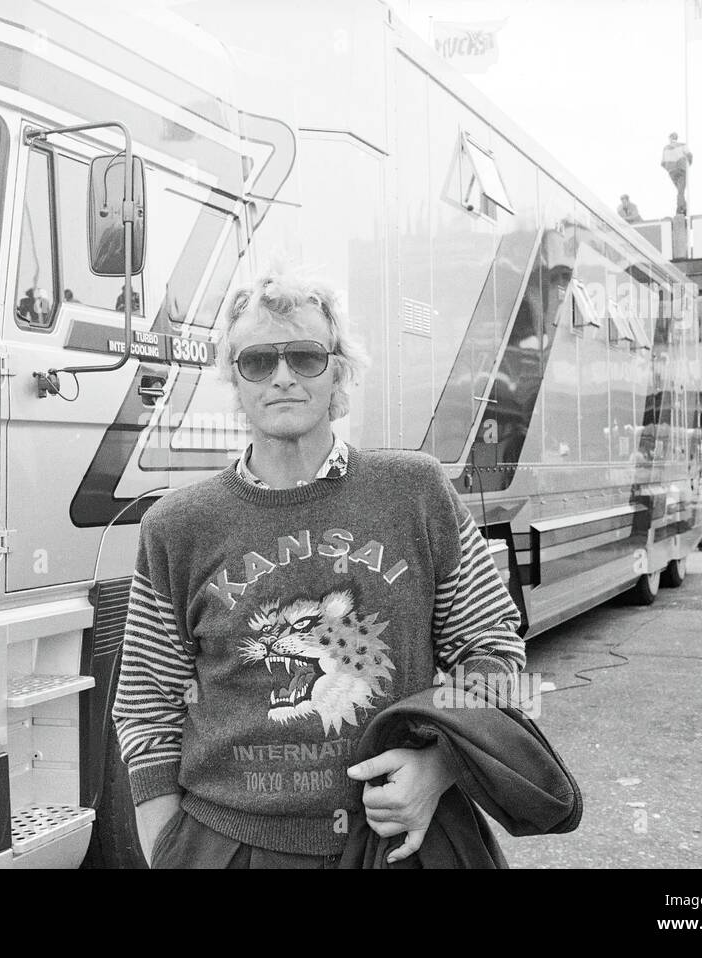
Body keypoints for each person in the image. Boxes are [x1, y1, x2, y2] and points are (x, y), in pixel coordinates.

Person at [111, 269, 526, 869]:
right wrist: (168, 848)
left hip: (404, 838)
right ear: (234, 375)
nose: (282, 376)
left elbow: (492, 650)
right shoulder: (176, 527)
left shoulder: (416, 492)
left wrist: (439, 765)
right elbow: (148, 701)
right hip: (230, 846)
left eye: (305, 356)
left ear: (337, 370)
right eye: (257, 361)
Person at [660, 133, 693, 216]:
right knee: (681, 191)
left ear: (670, 138)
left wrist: (669, 169)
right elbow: (689, 155)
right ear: (676, 138)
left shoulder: (665, 148)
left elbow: (663, 163)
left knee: (680, 190)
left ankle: (684, 207)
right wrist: (689, 164)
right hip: (681, 169)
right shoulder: (682, 145)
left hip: (672, 171)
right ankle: (680, 209)